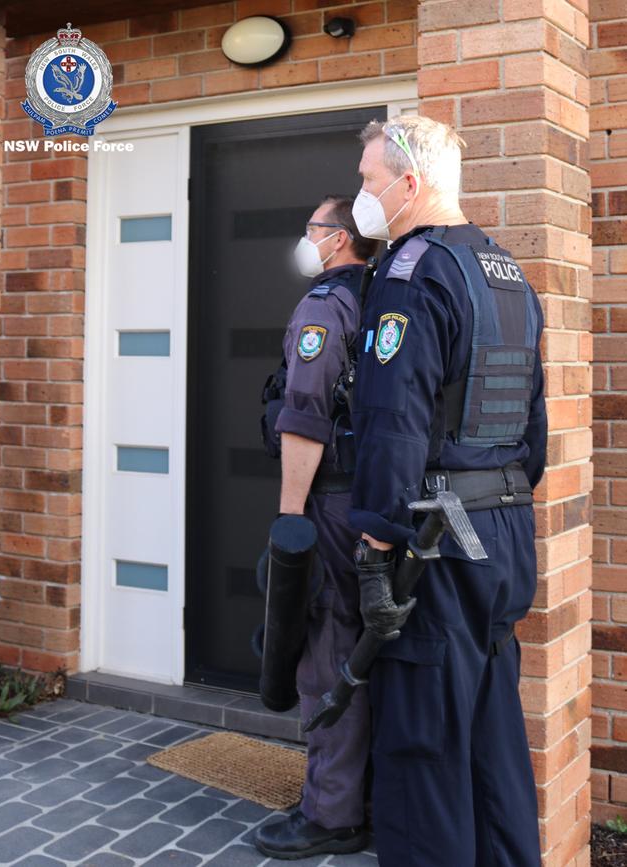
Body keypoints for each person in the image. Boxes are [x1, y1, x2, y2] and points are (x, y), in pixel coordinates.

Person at [347, 116, 547, 867]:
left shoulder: (412, 273)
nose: (364, 195)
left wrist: (374, 549)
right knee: (493, 743)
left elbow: (391, 421)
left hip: (433, 541)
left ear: (409, 183)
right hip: (502, 532)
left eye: (369, 181)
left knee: (422, 749)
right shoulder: (507, 274)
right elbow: (535, 430)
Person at [256, 195, 378, 860]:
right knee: (365, 651)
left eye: (312, 228)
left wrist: (289, 518)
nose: (305, 239)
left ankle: (330, 812)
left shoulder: (324, 309)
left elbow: (303, 414)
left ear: (336, 240)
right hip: (375, 506)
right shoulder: (386, 296)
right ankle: (364, 799)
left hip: (330, 502)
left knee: (328, 649)